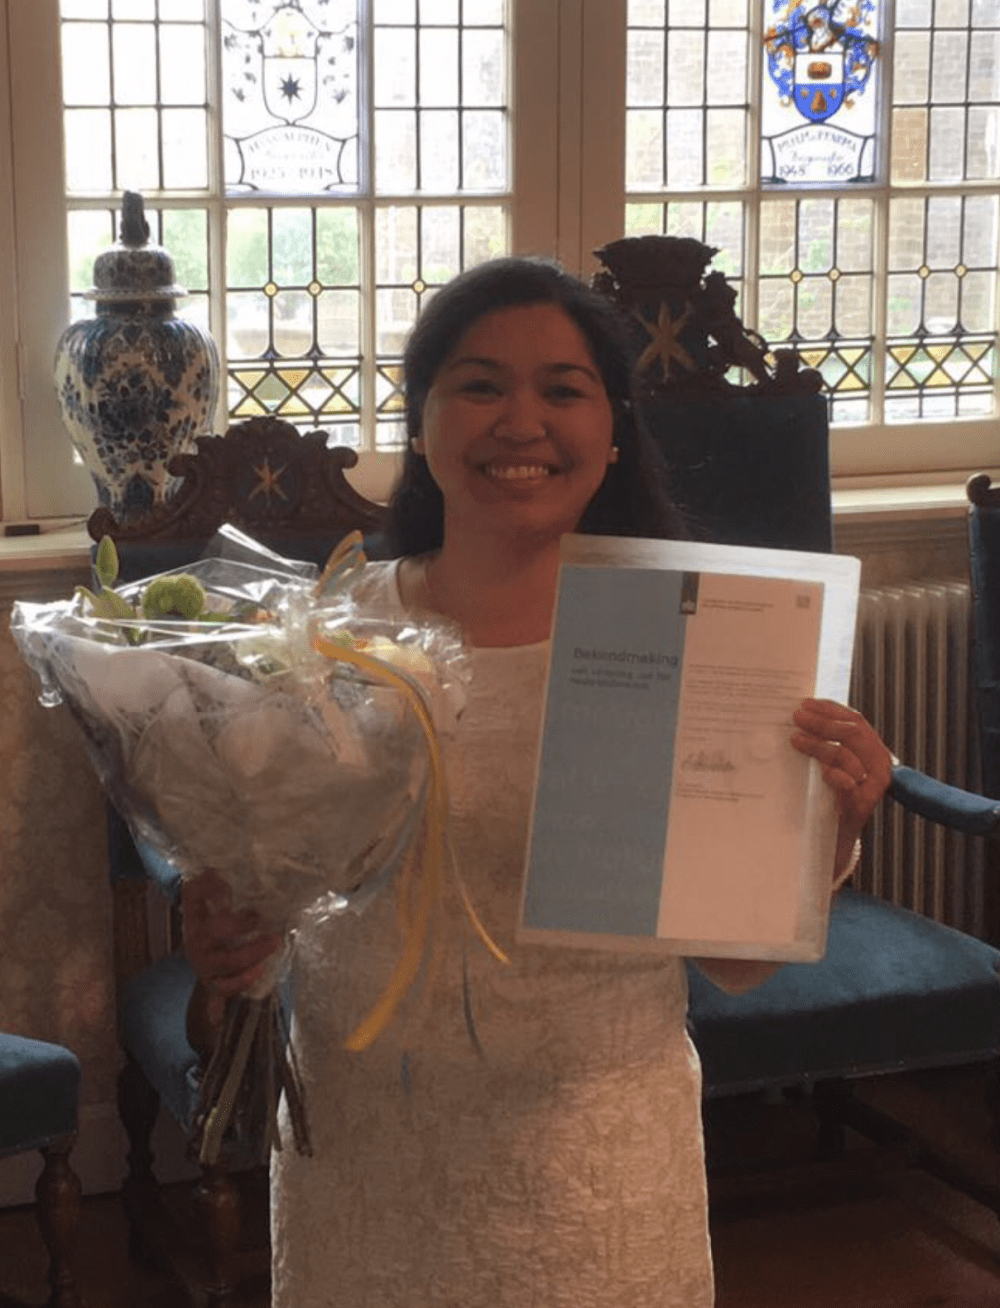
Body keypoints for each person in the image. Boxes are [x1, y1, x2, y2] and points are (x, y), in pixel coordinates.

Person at [183, 257, 893, 1307]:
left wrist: (830, 819)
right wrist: (225, 932)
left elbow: (737, 961)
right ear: (421, 422)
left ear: (613, 432)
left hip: (594, 1170)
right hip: (363, 1160)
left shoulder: (698, 637)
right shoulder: (325, 633)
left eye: (563, 388)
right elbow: (269, 895)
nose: (521, 421)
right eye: (479, 385)